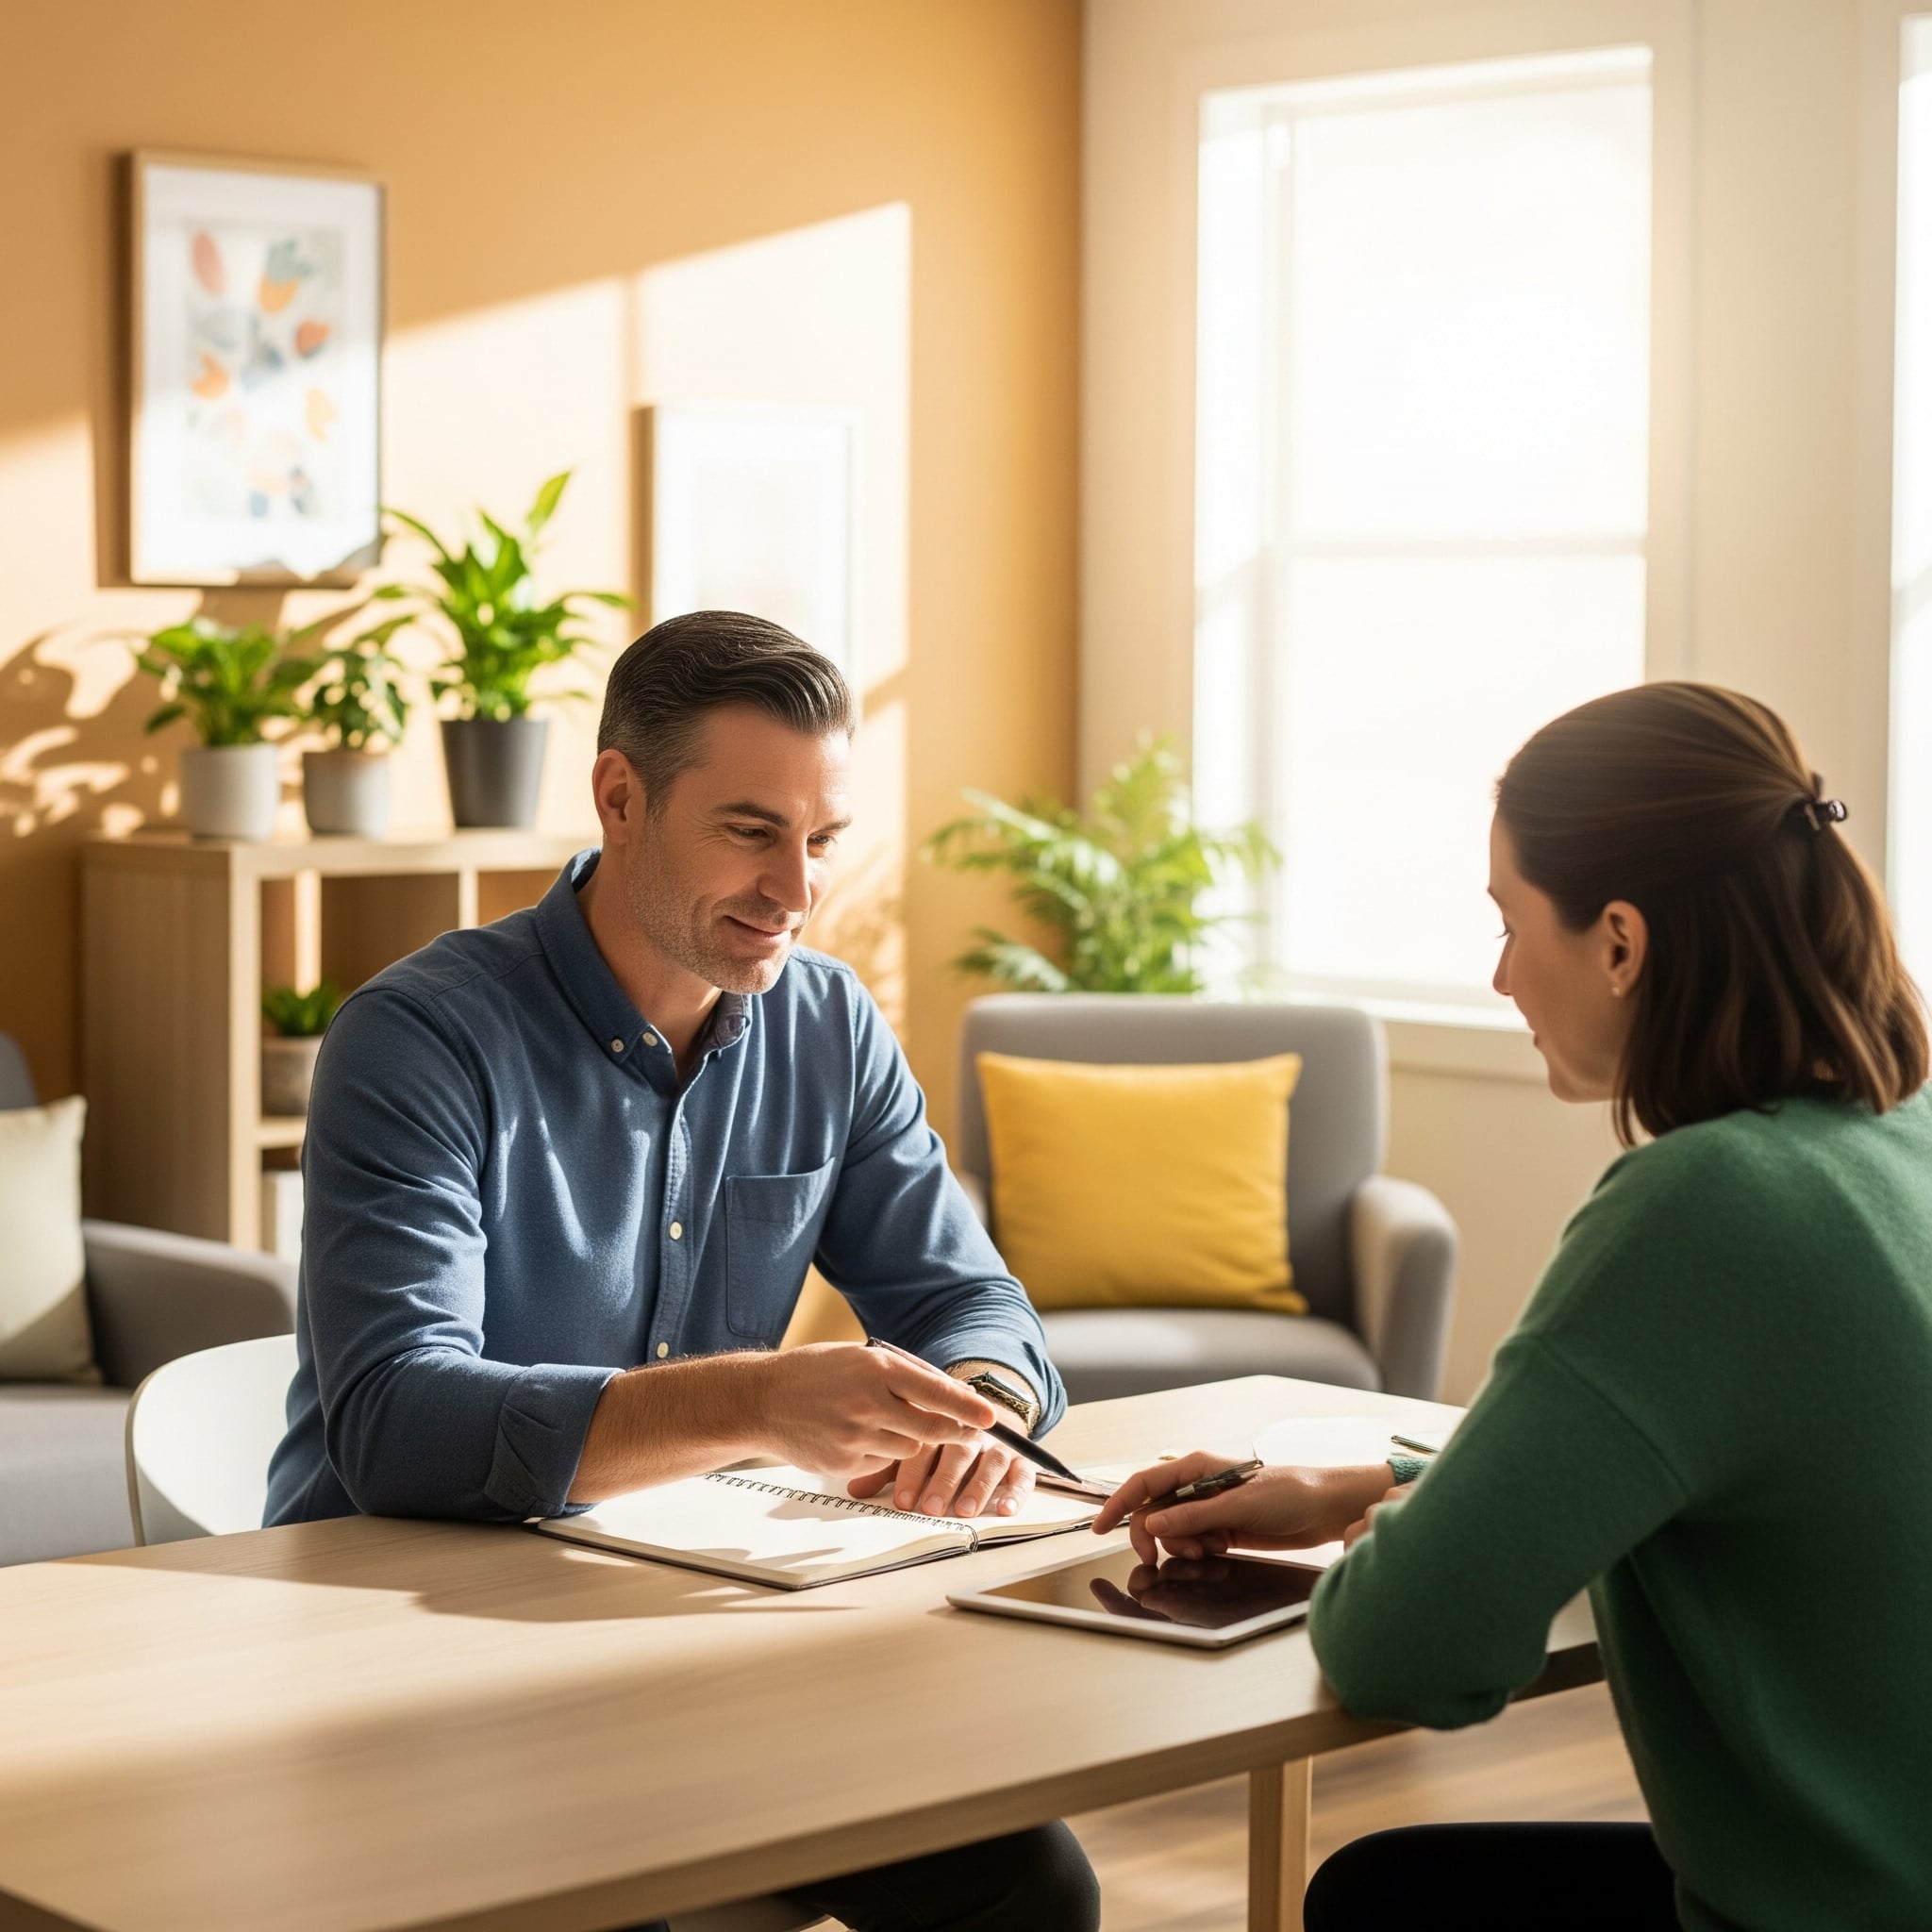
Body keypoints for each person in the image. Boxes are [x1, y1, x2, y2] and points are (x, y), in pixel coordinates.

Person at [265, 609, 1100, 1932]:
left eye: (822, 840)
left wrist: (977, 1410)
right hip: (406, 1648)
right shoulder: (417, 1039)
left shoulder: (827, 1025)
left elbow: (968, 1302)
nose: (798, 890)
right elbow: (394, 1424)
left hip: (696, 1626)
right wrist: (761, 1404)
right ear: (619, 797)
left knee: (1029, 1881)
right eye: (751, 831)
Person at [1095, 682, 1932, 1931]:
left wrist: (1407, 1538)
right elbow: (1695, 1465)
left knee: (1387, 1900)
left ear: (1620, 942)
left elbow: (1407, 1649)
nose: (1498, 975)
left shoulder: (1702, 1208)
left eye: (1508, 920)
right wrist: (1364, 1489)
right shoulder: (1898, 1140)